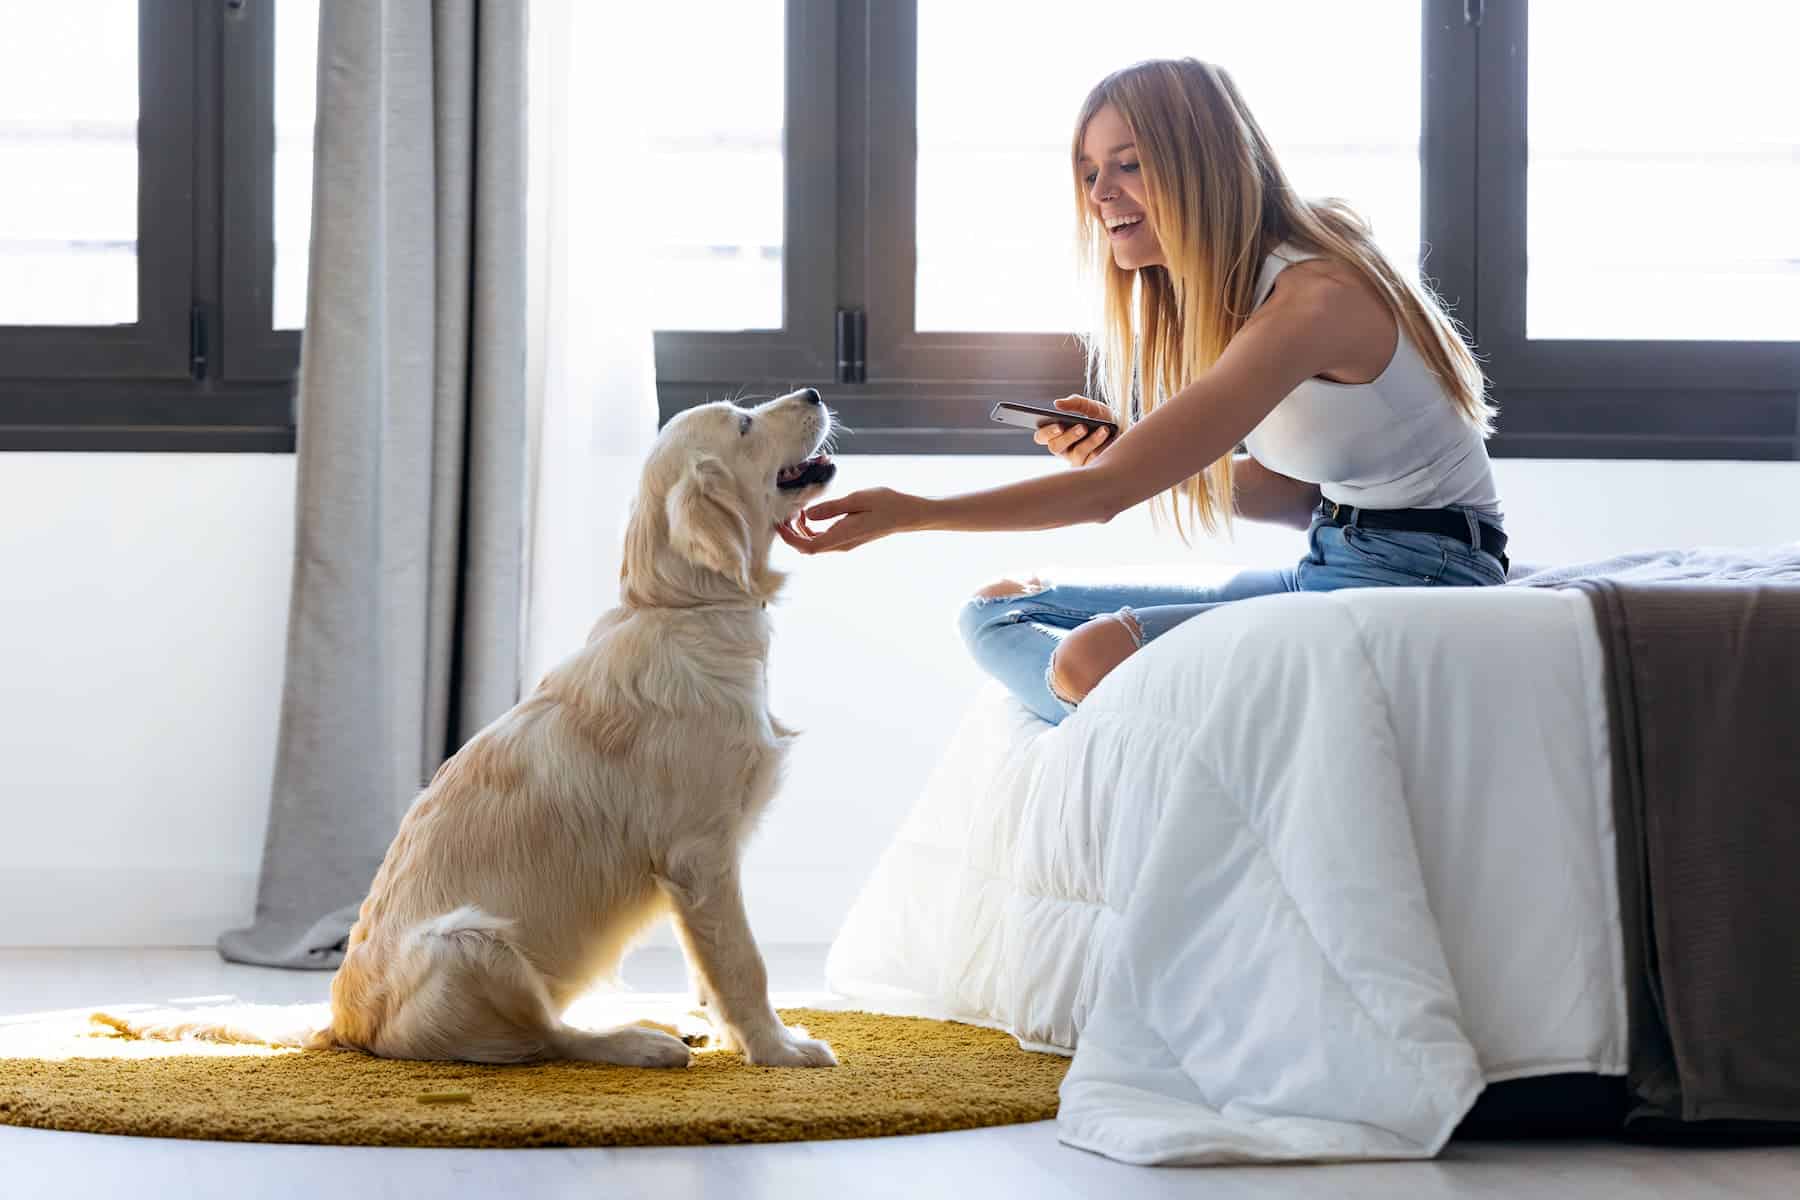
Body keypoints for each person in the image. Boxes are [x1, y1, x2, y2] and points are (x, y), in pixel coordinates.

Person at [778, 57, 1509, 725]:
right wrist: (1131, 451)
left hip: (1424, 578)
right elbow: (1296, 498)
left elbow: (1107, 497)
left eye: (1128, 164)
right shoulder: (1243, 293)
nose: (1101, 193)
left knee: (1087, 661)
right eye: (1091, 172)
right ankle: (1164, 726)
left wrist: (914, 514)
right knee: (997, 611)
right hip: (1334, 560)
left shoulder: (1312, 296)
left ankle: (1161, 733)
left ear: (1206, 166)